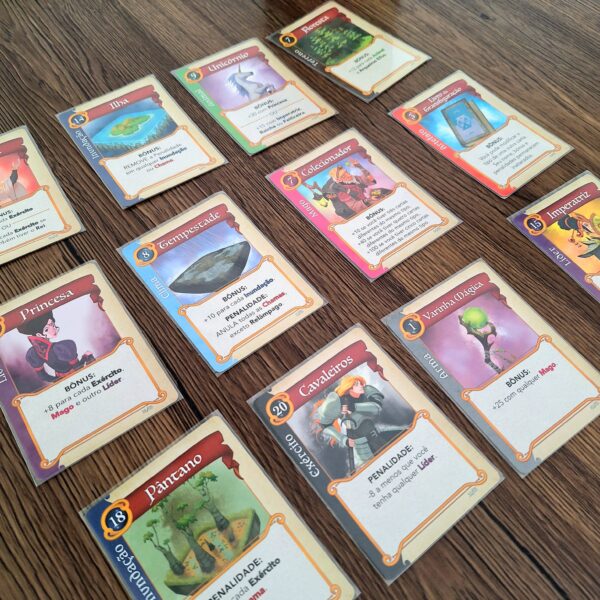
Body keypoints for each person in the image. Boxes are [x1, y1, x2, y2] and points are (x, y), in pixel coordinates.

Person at [312, 374, 408, 474]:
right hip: (362, 446)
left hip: (377, 435)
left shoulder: (366, 391)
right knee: (374, 471)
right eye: (357, 384)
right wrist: (344, 439)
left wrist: (354, 407)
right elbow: (325, 425)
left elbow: (377, 408)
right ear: (349, 388)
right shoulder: (337, 402)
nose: (361, 386)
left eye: (361, 383)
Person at [17, 311, 95, 383]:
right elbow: (78, 368)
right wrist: (85, 357)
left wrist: (57, 380)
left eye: (53, 325)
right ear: (39, 335)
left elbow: (43, 376)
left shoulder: (34, 352)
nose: (54, 329)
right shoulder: (61, 347)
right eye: (47, 329)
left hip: (65, 380)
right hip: (74, 377)